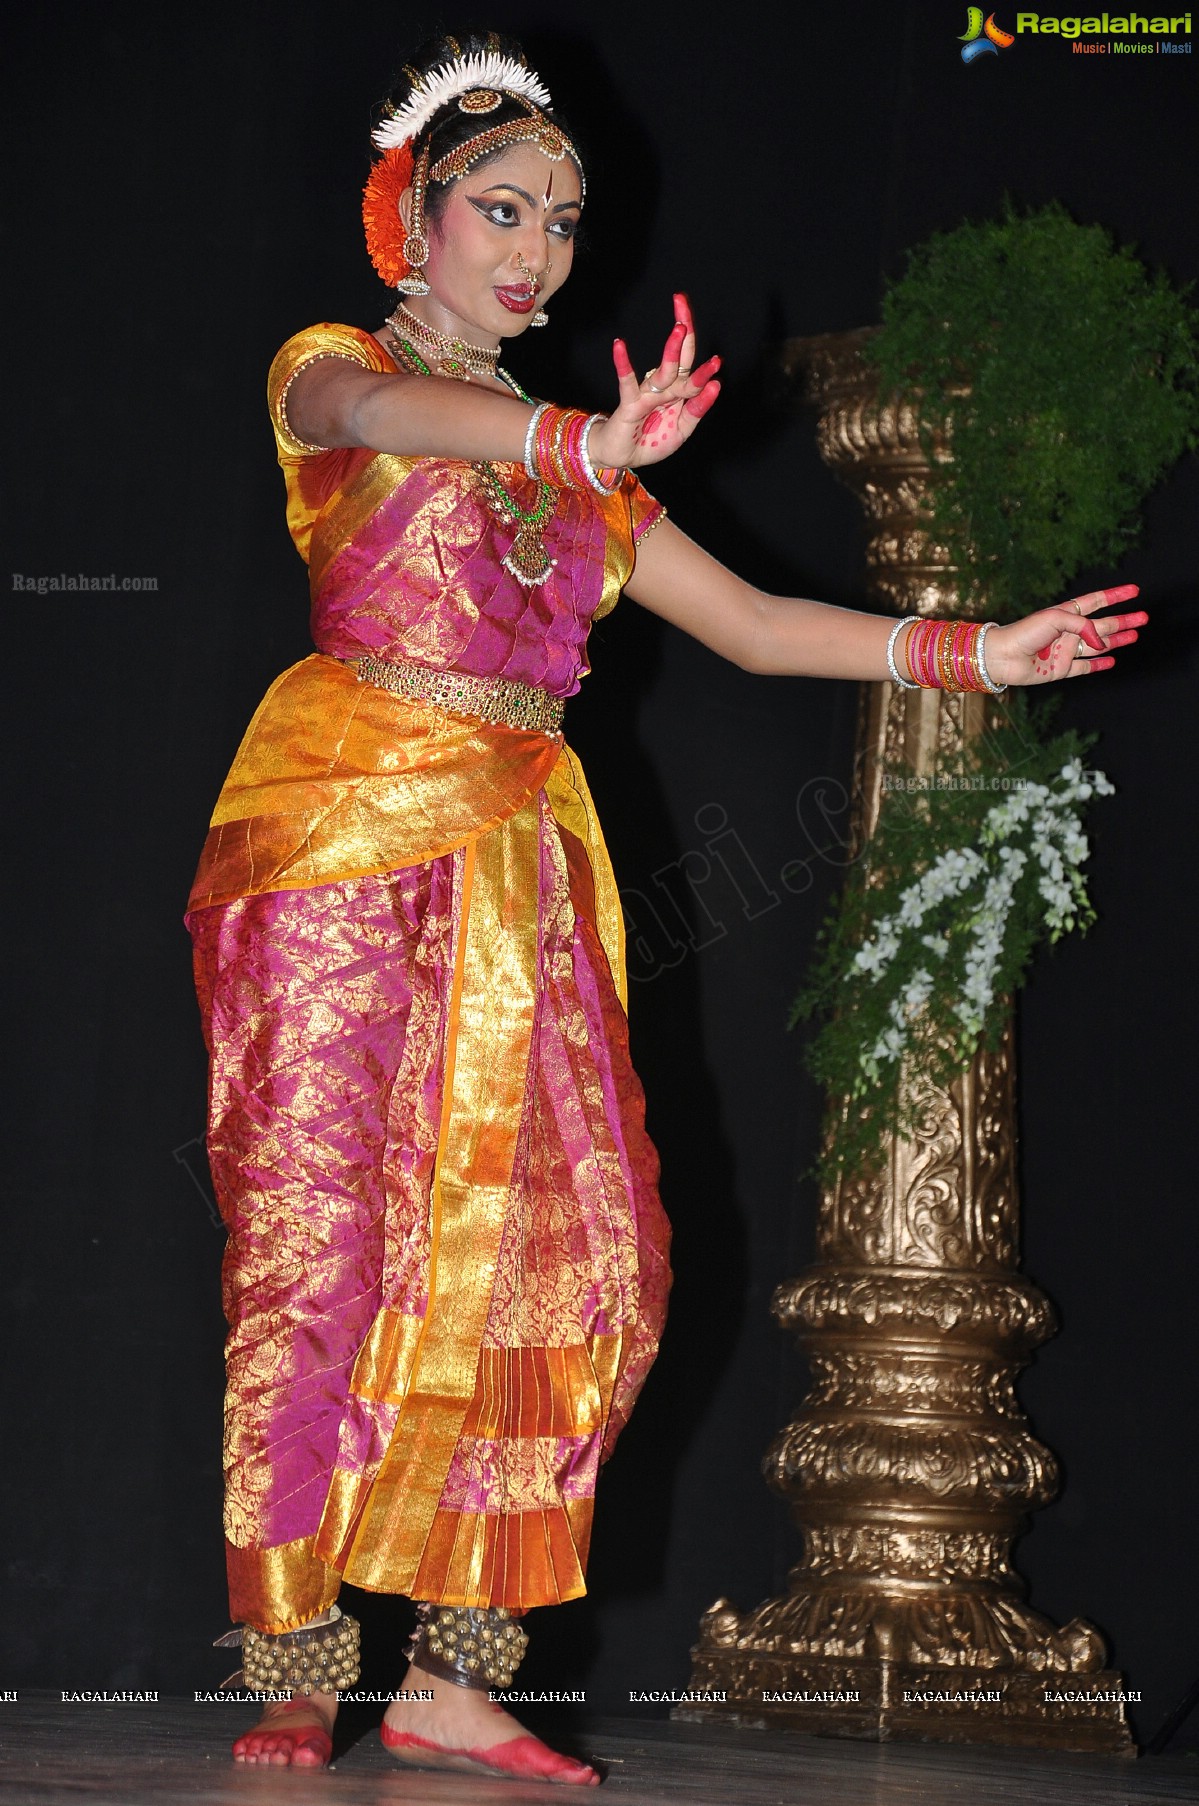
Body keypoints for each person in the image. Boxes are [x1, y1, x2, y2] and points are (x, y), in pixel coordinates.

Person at [184, 28, 1147, 1785]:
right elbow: (391, 416)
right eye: (501, 207)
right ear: (415, 219)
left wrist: (977, 649)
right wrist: (574, 437)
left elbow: (768, 624)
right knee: (322, 1245)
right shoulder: (334, 371)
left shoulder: (586, 473)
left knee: (587, 1260)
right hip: (340, 837)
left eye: (563, 216)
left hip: (524, 864)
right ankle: (298, 1651)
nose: (538, 246)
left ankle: (457, 1668)